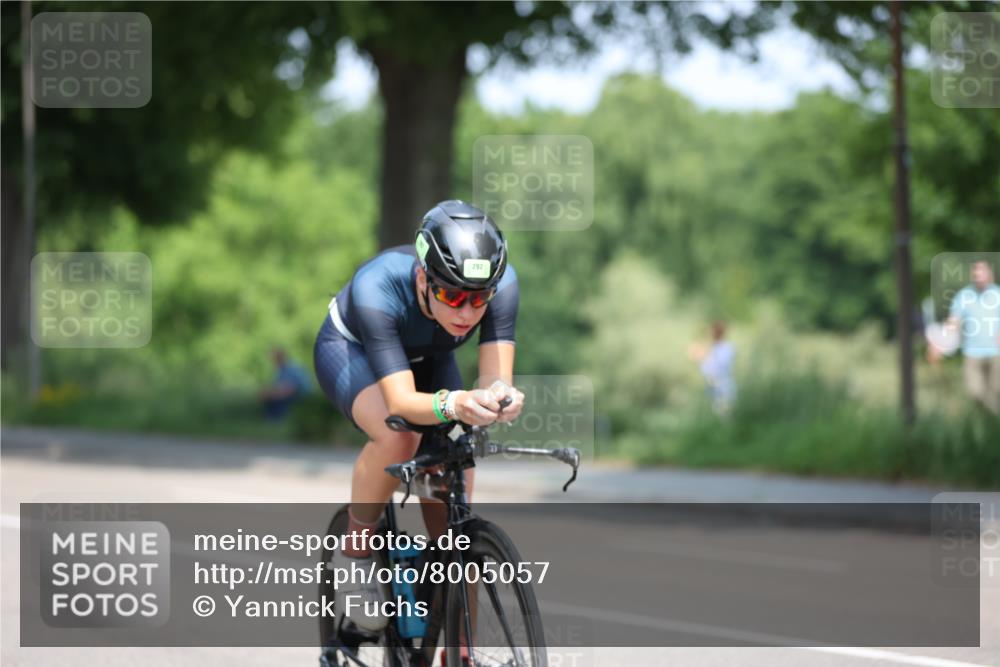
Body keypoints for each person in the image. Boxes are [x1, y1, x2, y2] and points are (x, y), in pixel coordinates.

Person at [313, 200, 524, 633]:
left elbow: (493, 380)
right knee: (400, 436)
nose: (466, 314)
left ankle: (456, 650)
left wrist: (500, 398)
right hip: (351, 349)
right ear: (423, 277)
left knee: (455, 525)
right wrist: (452, 404)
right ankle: (355, 552)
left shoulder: (503, 286)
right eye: (451, 295)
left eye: (478, 298)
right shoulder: (378, 286)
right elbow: (401, 402)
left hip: (430, 354)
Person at [937, 260, 1000, 415]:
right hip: (972, 353)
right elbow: (954, 321)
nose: (979, 277)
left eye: (982, 273)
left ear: (989, 274)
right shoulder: (964, 295)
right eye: (976, 274)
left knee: (997, 390)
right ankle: (991, 419)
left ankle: (992, 425)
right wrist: (941, 342)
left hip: (996, 352)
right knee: (975, 393)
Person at [689, 321, 736, 415]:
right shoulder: (719, 348)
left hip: (721, 387)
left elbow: (717, 368)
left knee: (723, 415)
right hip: (714, 387)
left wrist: (700, 358)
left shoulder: (724, 348)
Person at [259, 347, 310, 420]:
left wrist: (271, 395)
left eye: (274, 359)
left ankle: (277, 418)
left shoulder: (292, 368)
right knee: (269, 397)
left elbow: (290, 390)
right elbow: (279, 387)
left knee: (275, 400)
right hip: (291, 395)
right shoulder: (281, 371)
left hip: (300, 398)